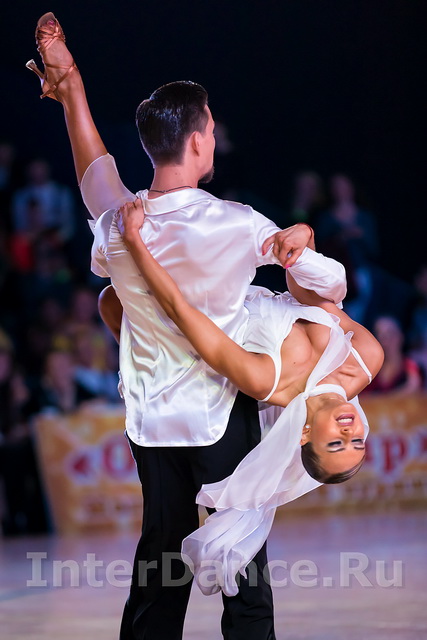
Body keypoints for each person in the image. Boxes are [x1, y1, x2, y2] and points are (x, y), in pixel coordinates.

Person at [27, 12, 348, 640]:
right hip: (219, 411)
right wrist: (303, 240)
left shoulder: (118, 224)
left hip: (151, 421)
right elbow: (324, 283)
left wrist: (72, 90)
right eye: (211, 128)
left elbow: (94, 171)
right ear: (199, 142)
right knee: (242, 562)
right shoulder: (235, 221)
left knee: (161, 557)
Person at [114, 198, 383, 596]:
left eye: (335, 444)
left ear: (305, 434)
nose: (349, 432)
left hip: (197, 292)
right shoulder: (366, 358)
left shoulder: (265, 382)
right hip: (239, 264)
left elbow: (182, 311)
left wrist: (134, 240)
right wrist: (304, 241)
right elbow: (312, 295)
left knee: (110, 297)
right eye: (357, 442)